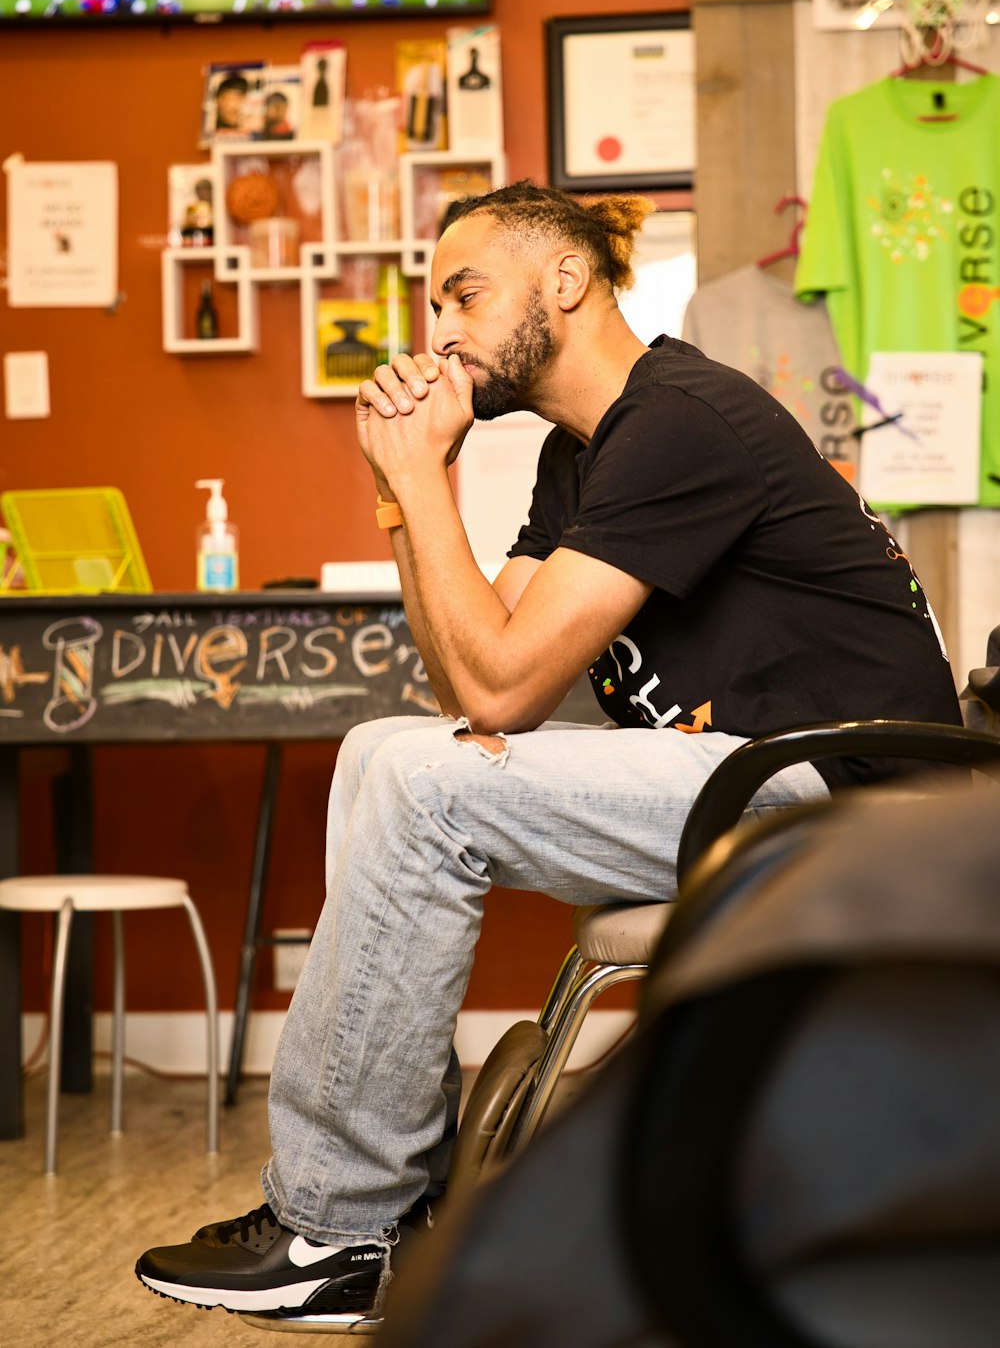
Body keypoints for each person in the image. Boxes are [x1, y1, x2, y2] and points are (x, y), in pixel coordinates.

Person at [136, 181, 962, 1325]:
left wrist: (423, 475)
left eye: (463, 294)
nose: (440, 333)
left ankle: (339, 1227)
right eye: (433, 306)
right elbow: (471, 691)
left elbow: (502, 683)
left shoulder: (680, 417)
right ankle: (364, 1218)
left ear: (563, 283)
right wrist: (397, 493)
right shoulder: (579, 457)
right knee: (388, 748)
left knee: (422, 784)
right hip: (745, 777)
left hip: (846, 805)